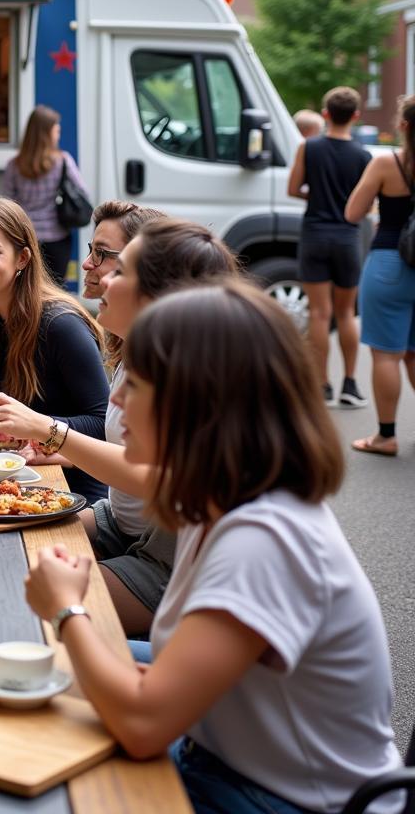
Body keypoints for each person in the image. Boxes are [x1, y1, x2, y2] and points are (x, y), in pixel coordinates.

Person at [25, 281, 403, 814]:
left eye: (140, 382)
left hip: (282, 797)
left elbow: (143, 725)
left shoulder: (263, 538)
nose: (115, 399)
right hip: (231, 754)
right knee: (38, 674)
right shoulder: (220, 495)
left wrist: (68, 609)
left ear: (199, 401)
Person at [0, 217, 238, 634]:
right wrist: (52, 445)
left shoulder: (188, 378)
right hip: (127, 526)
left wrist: (49, 430)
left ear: (161, 292)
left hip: (165, 562)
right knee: (3, 545)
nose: (91, 270)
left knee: (15, 600)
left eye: (113, 265)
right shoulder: (141, 351)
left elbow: (153, 476)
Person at [0, 197, 110, 502]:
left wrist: (37, 425)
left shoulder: (61, 326)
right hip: (11, 480)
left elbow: (105, 424)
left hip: (73, 492)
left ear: (22, 259)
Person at [288, 85, 371, 406]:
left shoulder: (308, 148)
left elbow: (294, 188)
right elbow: (364, 205)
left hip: (314, 235)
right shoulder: (363, 156)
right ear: (356, 116)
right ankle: (350, 385)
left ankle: (322, 385)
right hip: (347, 237)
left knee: (320, 314)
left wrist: (318, 196)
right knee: (346, 313)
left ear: (325, 114)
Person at [345, 94, 415, 457]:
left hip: (390, 262)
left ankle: (386, 437)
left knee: (387, 355)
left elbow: (353, 212)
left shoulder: (387, 164)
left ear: (403, 125)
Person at [1, 104, 88, 285]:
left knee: (26, 288)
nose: (58, 135)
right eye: (56, 130)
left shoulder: (14, 165)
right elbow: (83, 192)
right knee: (55, 290)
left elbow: (6, 203)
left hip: (25, 238)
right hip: (57, 236)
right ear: (47, 133)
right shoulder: (63, 161)